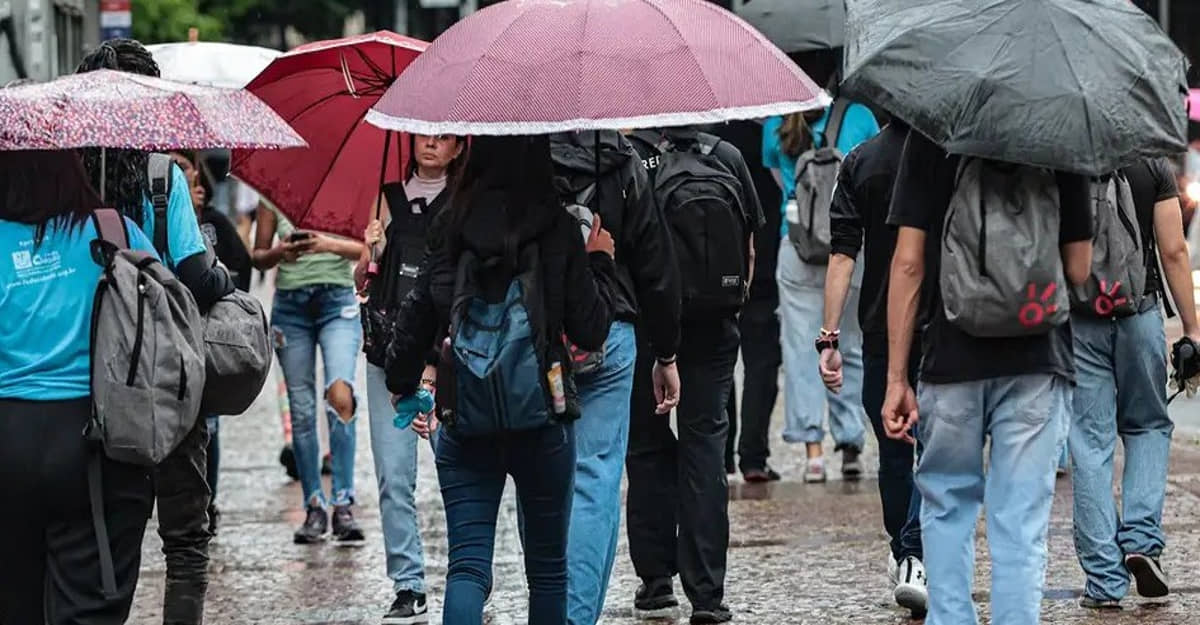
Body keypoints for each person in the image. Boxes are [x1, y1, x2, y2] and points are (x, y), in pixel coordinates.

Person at [384, 135, 618, 625]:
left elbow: (419, 314)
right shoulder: (554, 225)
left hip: (466, 415)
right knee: (549, 572)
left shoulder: (451, 222)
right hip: (542, 417)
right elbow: (591, 330)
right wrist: (598, 260)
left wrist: (403, 381)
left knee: (467, 565)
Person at [883, 129, 1093, 625]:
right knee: (1020, 520)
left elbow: (908, 264)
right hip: (1038, 358)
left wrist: (897, 376)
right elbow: (1079, 268)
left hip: (951, 357)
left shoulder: (931, 133)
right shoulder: (1059, 131)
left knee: (948, 505)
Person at [77, 39, 237, 625]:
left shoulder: (68, 173)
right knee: (185, 539)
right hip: (167, 376)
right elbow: (197, 275)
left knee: (98, 533)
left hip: (90, 372)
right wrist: (223, 275)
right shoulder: (161, 174)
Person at [0, 150, 158, 624]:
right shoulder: (115, 232)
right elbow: (166, 319)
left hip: (8, 439)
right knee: (90, 602)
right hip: (98, 438)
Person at [627, 125, 764, 625]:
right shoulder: (727, 155)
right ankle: (707, 594)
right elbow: (748, 244)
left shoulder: (632, 157)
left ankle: (656, 582)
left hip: (647, 323)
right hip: (715, 326)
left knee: (646, 445)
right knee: (705, 447)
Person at [550, 130, 681, 625]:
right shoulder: (622, 160)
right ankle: (579, 615)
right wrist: (666, 352)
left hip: (538, 333)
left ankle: (550, 607)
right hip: (610, 329)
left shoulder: (516, 148)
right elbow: (656, 263)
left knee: (541, 479)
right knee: (596, 479)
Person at [1070, 157, 1200, 609]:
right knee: (1146, 427)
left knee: (1089, 443)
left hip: (1080, 319)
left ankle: (1104, 581)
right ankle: (1143, 542)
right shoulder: (1152, 167)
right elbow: (1174, 251)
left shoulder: (1065, 160)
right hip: (1139, 314)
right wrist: (1192, 328)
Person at [817, 118, 927, 614]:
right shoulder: (945, 154)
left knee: (894, 448)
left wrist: (829, 336)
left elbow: (842, 254)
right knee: (941, 446)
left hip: (883, 326)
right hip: (943, 324)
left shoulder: (860, 160)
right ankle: (915, 552)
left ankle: (908, 552)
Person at [355, 133, 465, 624]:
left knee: (458, 470)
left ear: (459, 148)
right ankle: (408, 584)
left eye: (444, 139)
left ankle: (468, 574)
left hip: (444, 360)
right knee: (393, 475)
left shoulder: (464, 203)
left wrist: (435, 364)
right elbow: (365, 281)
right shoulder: (389, 196)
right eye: (426, 136)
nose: (431, 145)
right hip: (387, 355)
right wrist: (368, 250)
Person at [763, 98, 879, 483]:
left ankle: (813, 453)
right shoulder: (860, 117)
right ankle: (850, 441)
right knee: (850, 346)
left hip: (794, 246)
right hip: (848, 247)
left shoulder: (776, 120)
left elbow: (780, 182)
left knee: (801, 350)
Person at [251, 201, 367, 545]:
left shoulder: (344, 188)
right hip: (291, 307)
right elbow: (257, 255)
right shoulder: (272, 191)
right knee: (301, 411)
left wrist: (326, 244)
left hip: (338, 301)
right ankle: (314, 506)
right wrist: (279, 253)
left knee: (341, 394)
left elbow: (368, 248)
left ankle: (344, 503)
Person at [168, 150, 253, 538]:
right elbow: (202, 278)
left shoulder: (213, 223)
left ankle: (205, 502)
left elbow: (243, 263)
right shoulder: (155, 216)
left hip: (199, 337)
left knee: (206, 425)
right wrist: (218, 279)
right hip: (169, 338)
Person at [709, 119, 784, 482]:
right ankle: (753, 456)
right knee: (761, 363)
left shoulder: (708, 144)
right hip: (764, 265)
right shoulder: (772, 138)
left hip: (716, 270)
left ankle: (721, 453)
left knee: (720, 362)